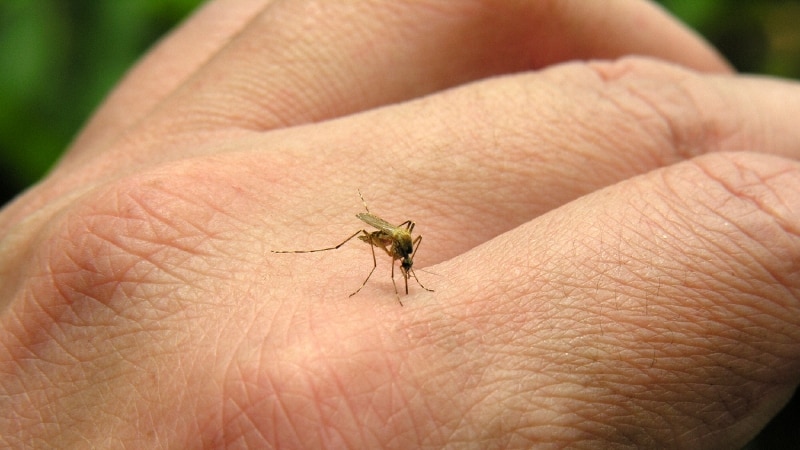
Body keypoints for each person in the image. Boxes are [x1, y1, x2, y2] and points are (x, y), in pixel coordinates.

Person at [2, 0, 799, 447]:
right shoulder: (385, 242)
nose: (403, 259)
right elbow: (381, 238)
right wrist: (378, 257)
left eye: (406, 256)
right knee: (356, 254)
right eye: (404, 257)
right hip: (361, 229)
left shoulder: (409, 246)